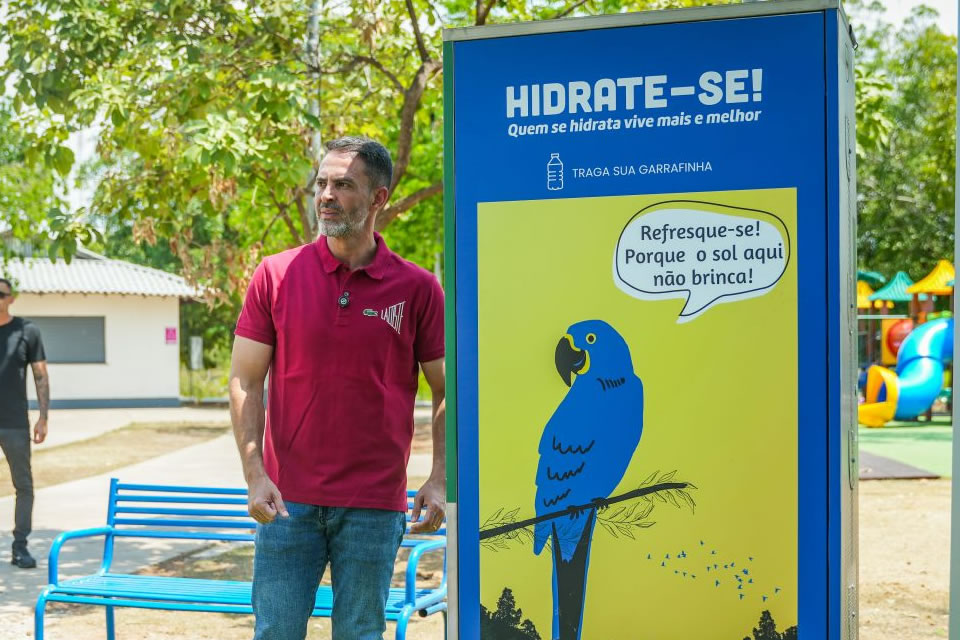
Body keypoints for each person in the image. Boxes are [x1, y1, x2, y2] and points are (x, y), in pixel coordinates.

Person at [230, 136, 446, 640]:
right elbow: (245, 377)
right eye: (322, 183)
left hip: (374, 504)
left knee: (360, 633)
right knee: (276, 632)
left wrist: (439, 478)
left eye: (343, 185)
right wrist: (254, 472)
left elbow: (444, 389)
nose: (326, 195)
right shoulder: (276, 276)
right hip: (286, 503)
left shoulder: (417, 289)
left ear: (379, 198)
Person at [0, 277, 49, 569]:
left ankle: (20, 547)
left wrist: (43, 417)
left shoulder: (27, 331)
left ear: (11, 298)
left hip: (15, 422)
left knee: (24, 485)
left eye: (1, 294)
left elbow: (40, 376)